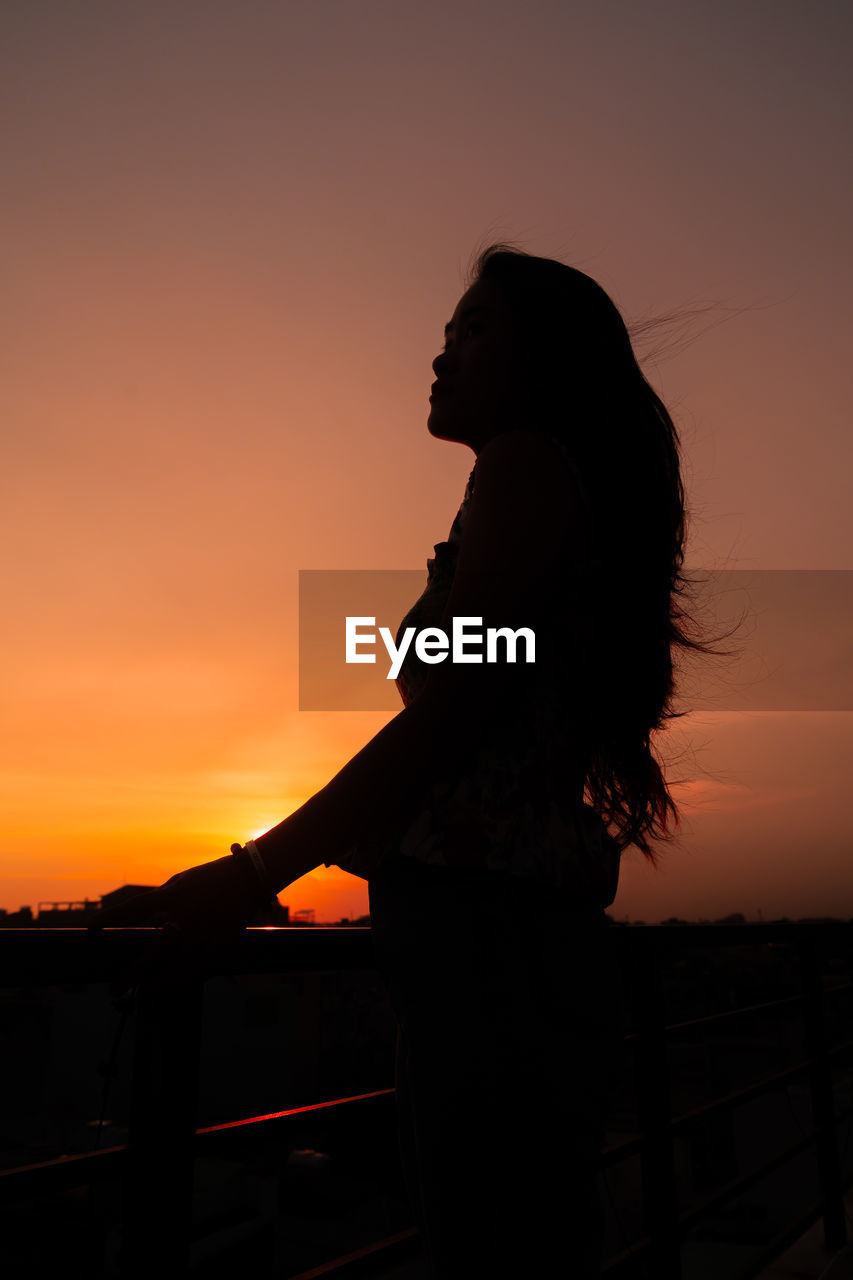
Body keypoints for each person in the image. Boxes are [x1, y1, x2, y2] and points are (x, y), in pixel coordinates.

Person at [92, 244, 712, 1275]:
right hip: (505, 939)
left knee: (497, 1248)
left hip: (486, 940)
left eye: (472, 331)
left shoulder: (523, 468)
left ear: (541, 358)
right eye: (442, 333)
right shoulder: (538, 492)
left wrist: (250, 873)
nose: (440, 356)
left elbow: (443, 720)